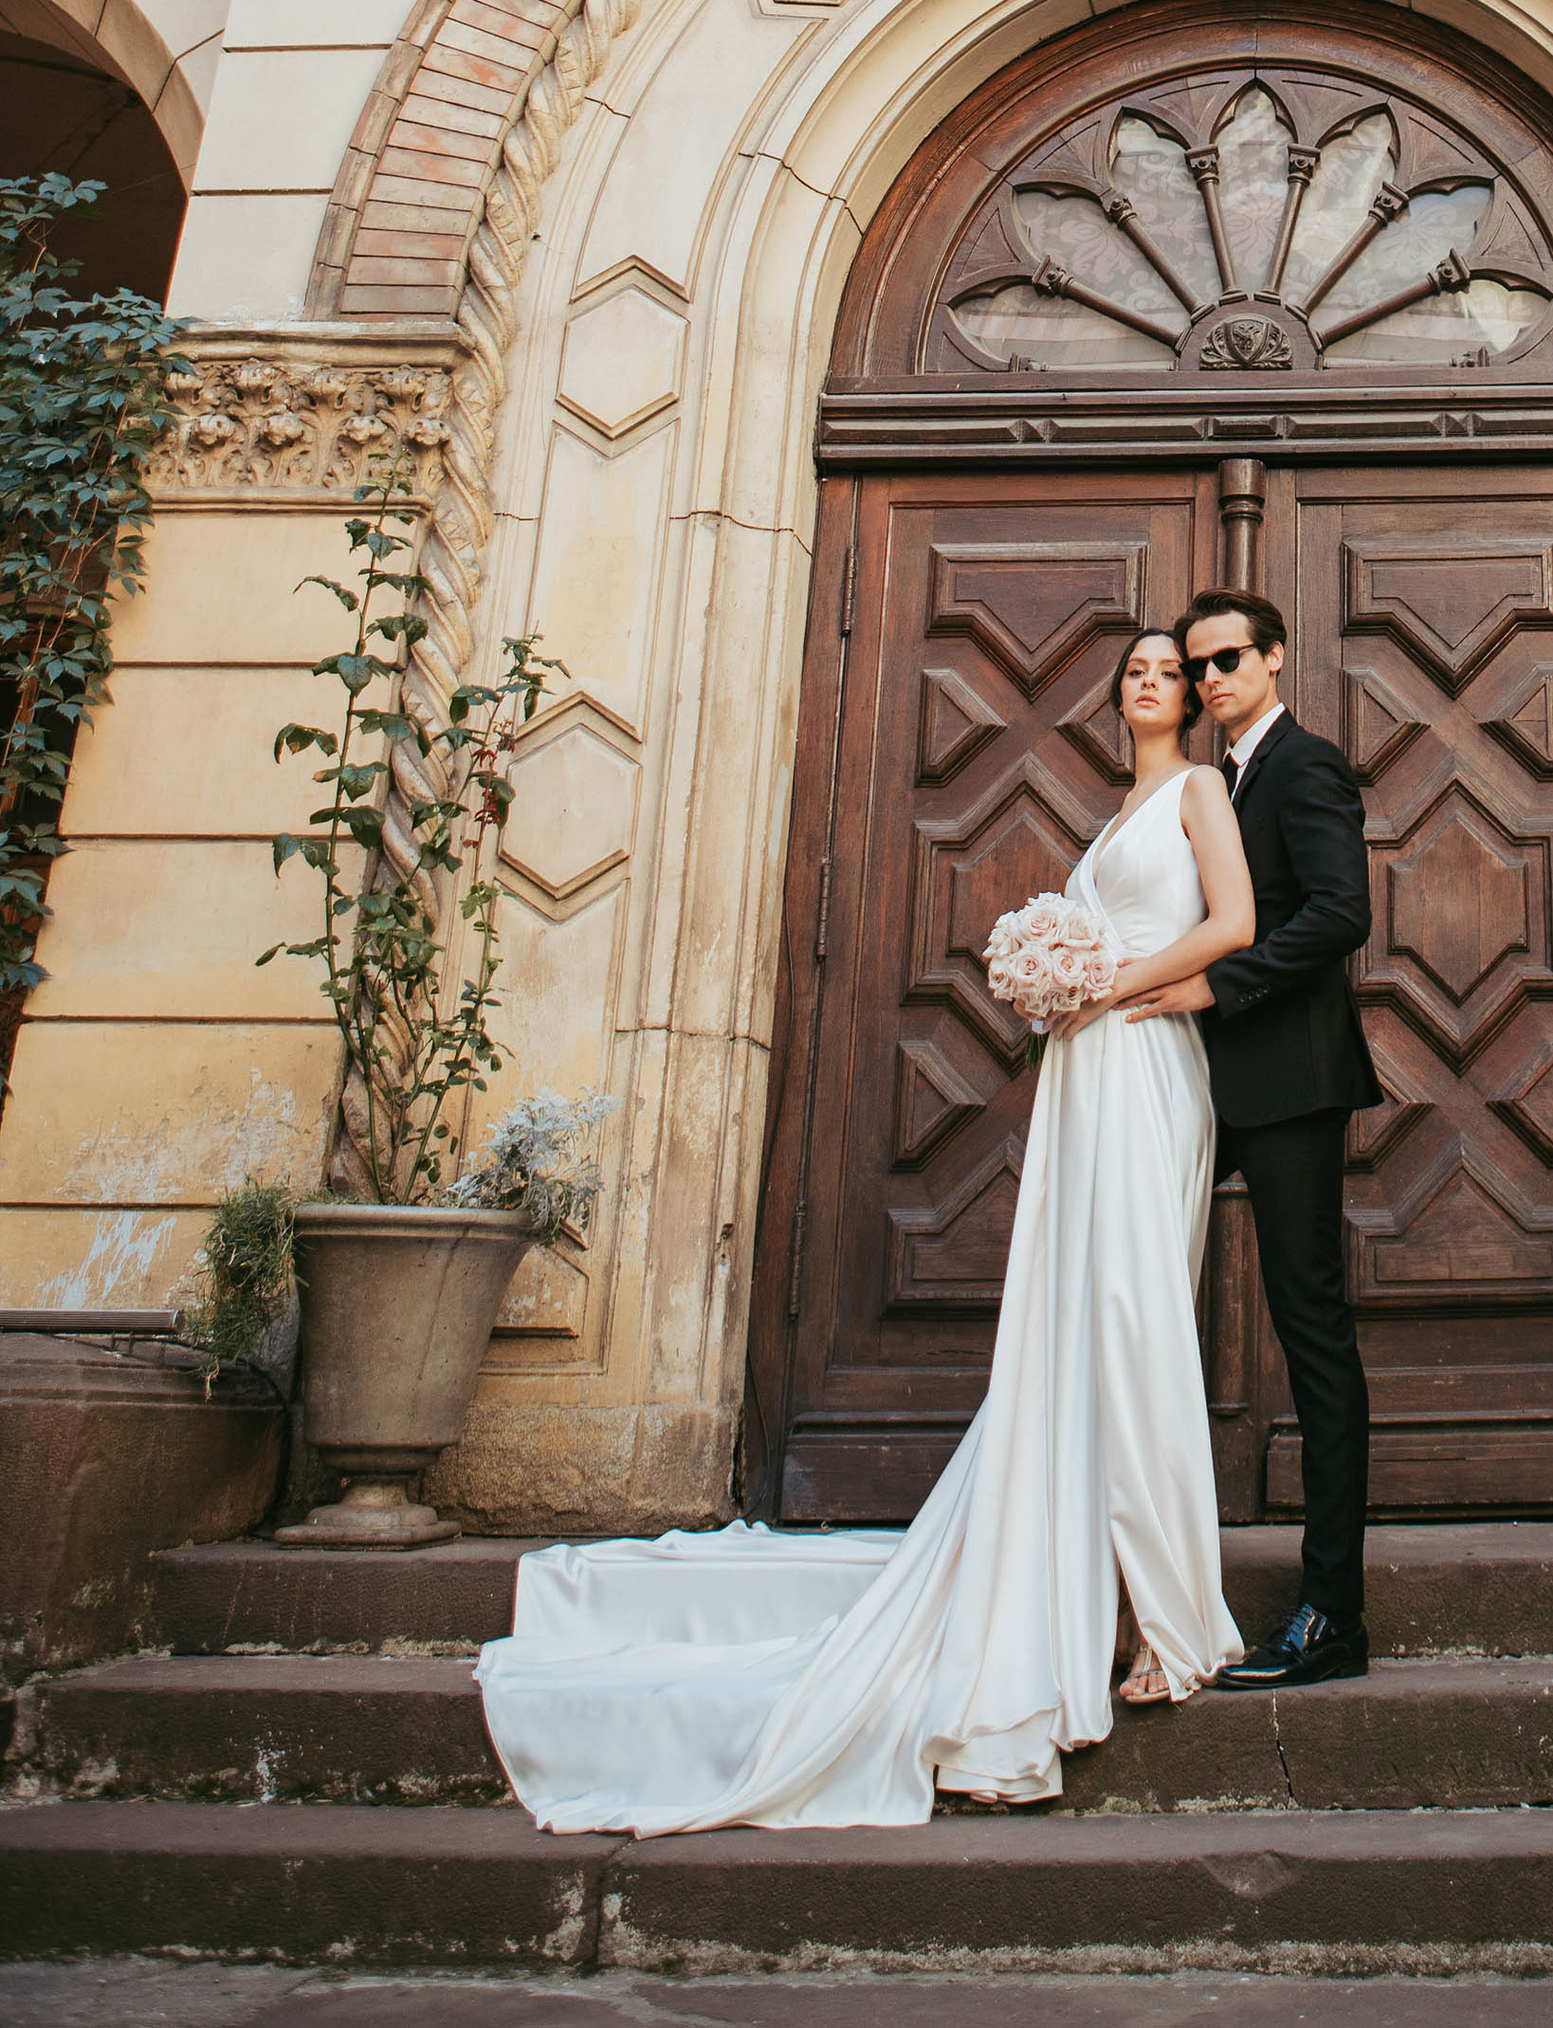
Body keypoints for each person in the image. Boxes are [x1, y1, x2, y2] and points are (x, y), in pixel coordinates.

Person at [474, 629, 1255, 1830]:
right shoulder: (1116, 811)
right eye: (1142, 669)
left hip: (1148, 1063)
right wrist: (1065, 988)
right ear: (1119, 697)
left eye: (1175, 667)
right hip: (1086, 1069)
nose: (1159, 680)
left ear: (1201, 696)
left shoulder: (1203, 789)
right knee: (1074, 1313)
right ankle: (1087, 1587)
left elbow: (1235, 925)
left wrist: (1105, 985)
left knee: (1135, 1309)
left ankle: (1168, 1611)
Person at [1133, 589, 1380, 1691]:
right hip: (1191, 1085)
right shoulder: (1205, 783)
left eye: (1229, 656)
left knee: (1310, 1329)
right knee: (1131, 1302)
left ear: (1276, 656)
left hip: (1284, 1085)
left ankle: (1332, 1611)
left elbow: (1337, 913)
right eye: (1197, 666)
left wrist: (1212, 987)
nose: (1211, 677)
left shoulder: (1307, 764)